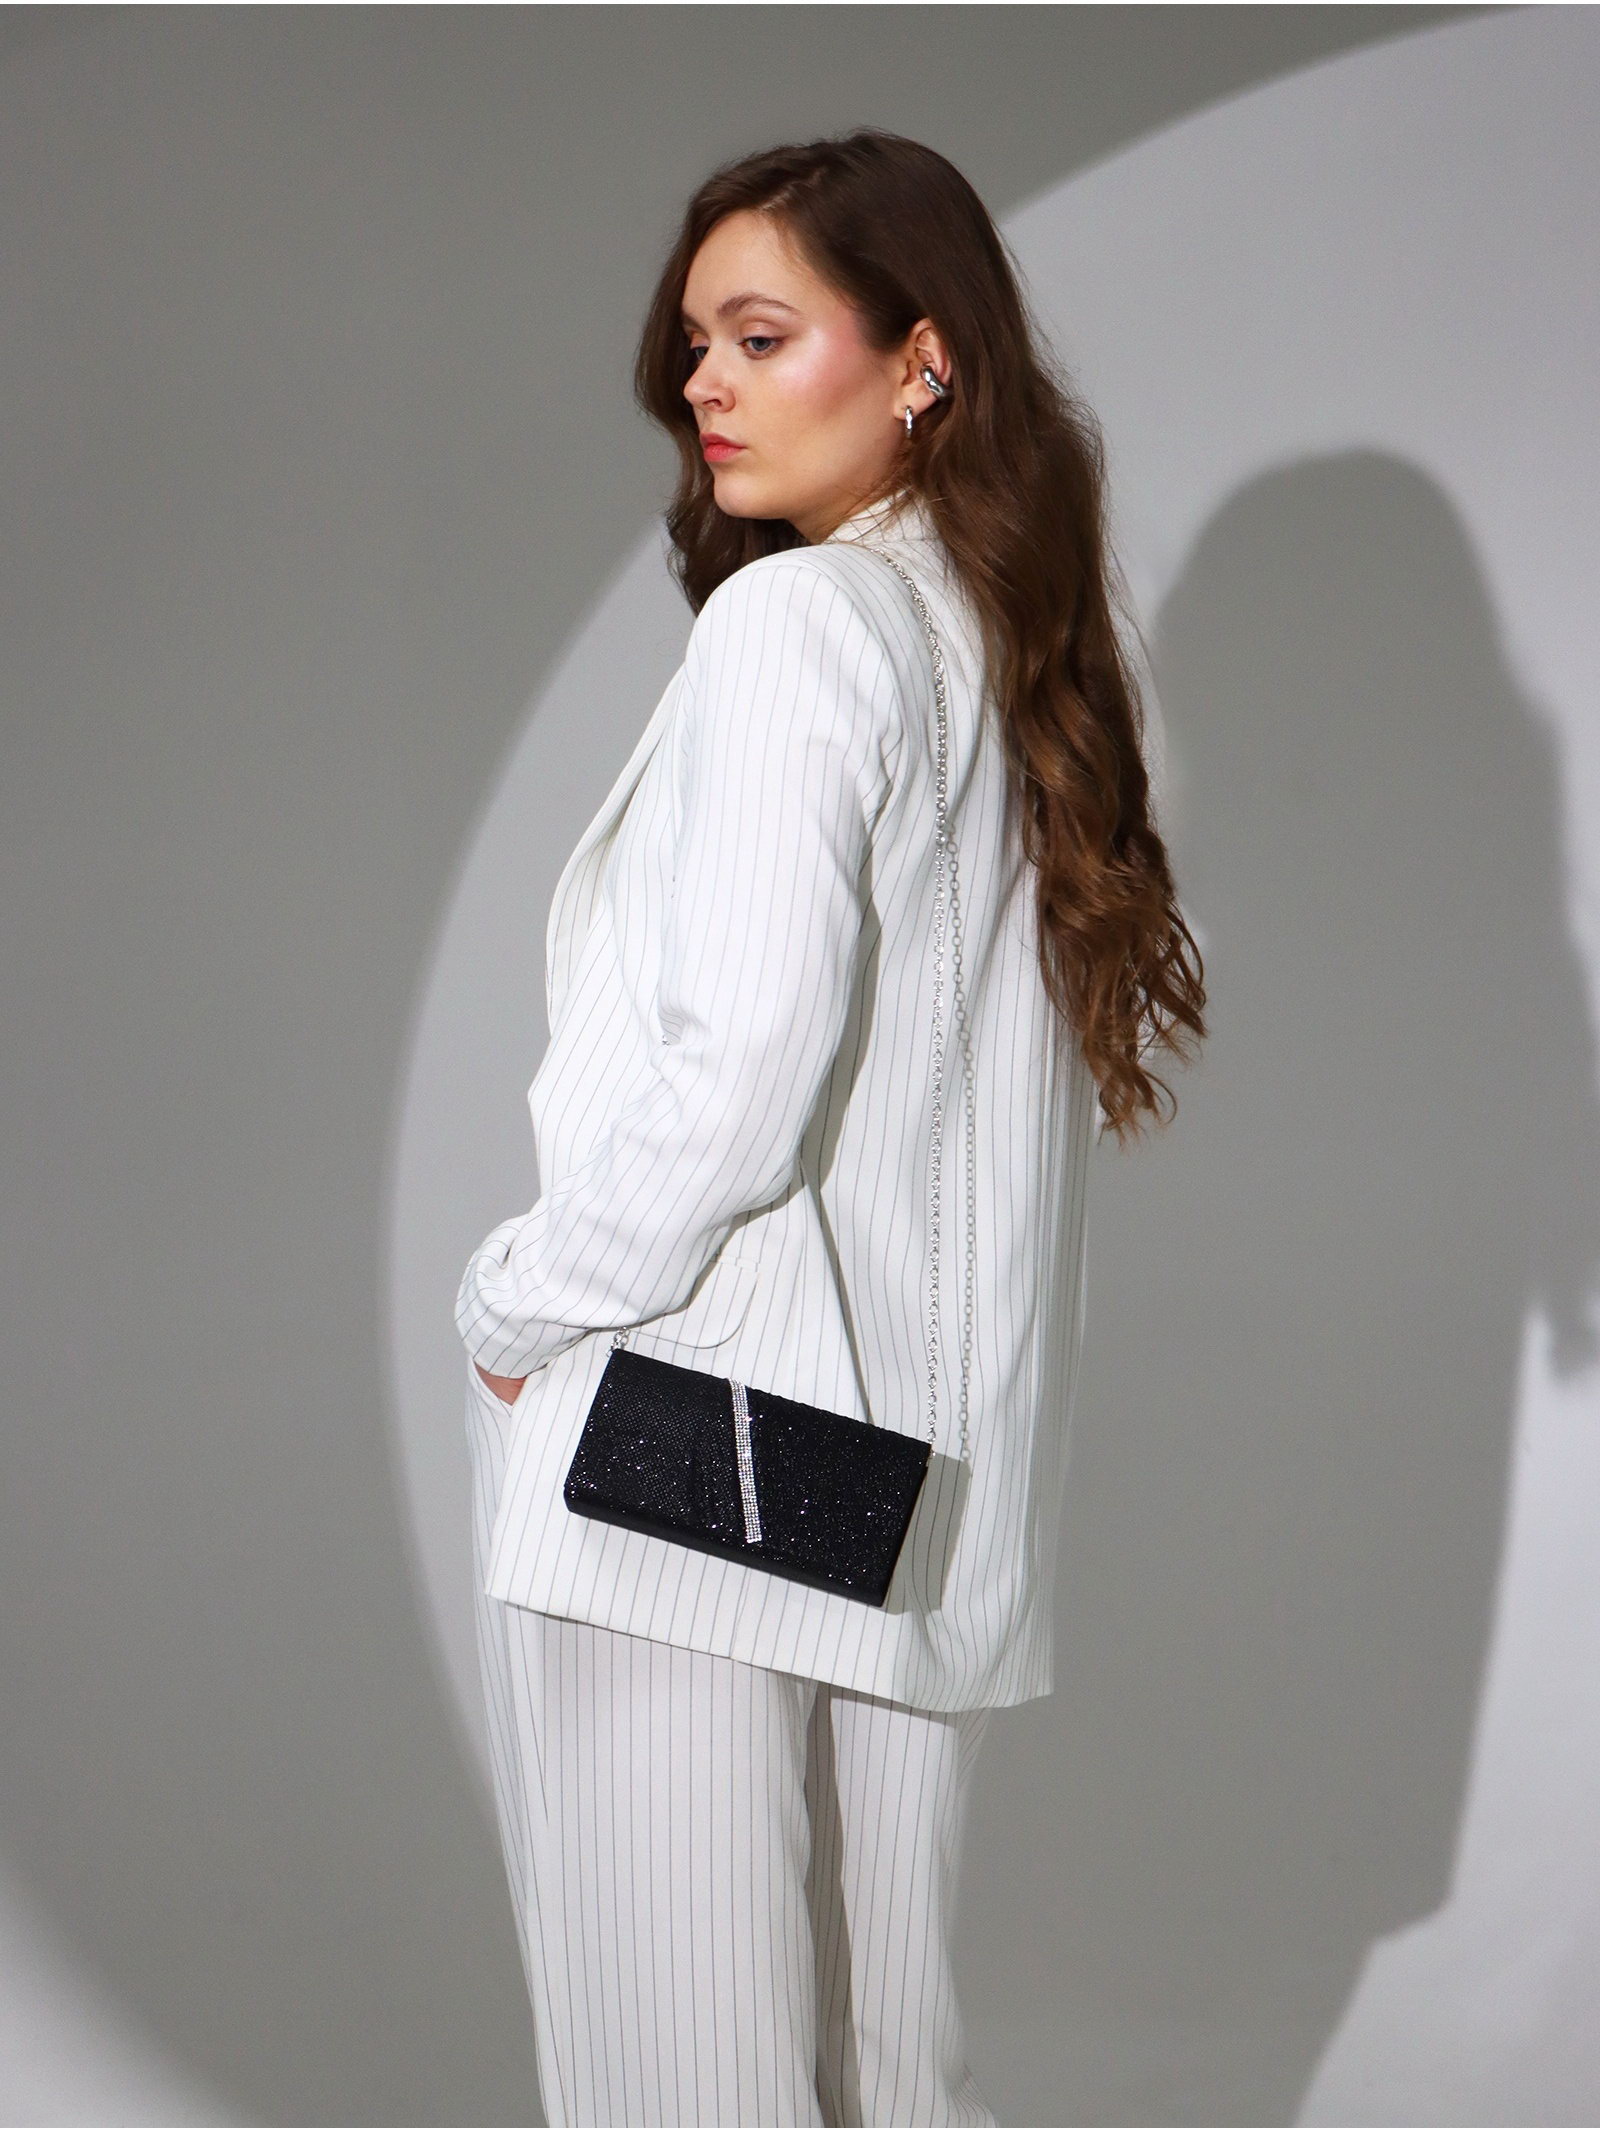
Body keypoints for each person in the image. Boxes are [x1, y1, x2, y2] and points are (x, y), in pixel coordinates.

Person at [454, 128, 1205, 2129]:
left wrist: (520, 1299)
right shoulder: (1009, 656)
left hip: (685, 1449)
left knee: (677, 2077)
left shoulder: (795, 628)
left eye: (761, 333)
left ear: (921, 358)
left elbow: (738, 1073)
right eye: (696, 342)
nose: (702, 380)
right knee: (880, 2070)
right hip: (905, 1493)